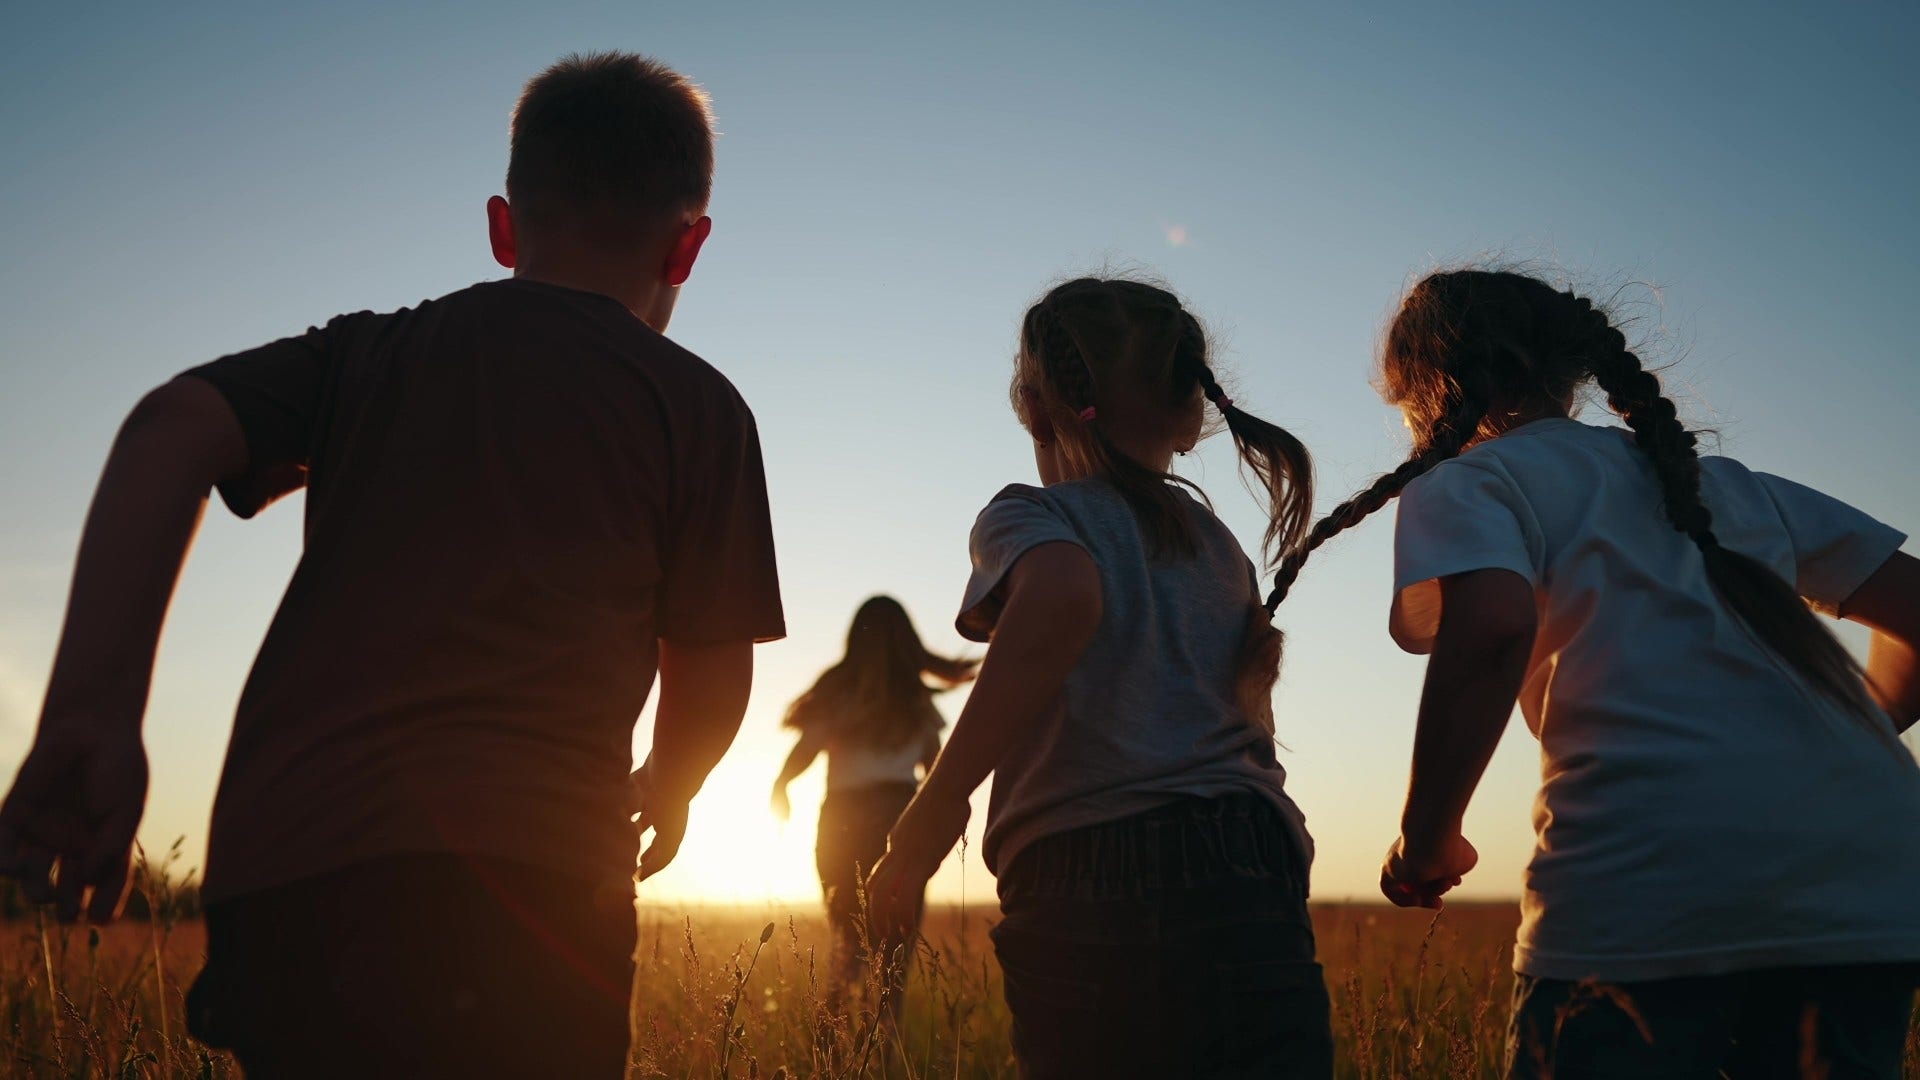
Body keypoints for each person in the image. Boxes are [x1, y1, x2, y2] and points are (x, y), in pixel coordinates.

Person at [0, 52, 785, 1079]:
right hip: (532, 884)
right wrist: (672, 782)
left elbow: (169, 426)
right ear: (688, 249)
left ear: (504, 226)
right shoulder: (697, 408)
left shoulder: (370, 355)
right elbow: (713, 667)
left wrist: (90, 715)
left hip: (293, 875)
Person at [1293, 268, 1920, 1077]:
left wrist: (1425, 841)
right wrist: (1855, 725)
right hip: (1867, 874)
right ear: (1572, 370)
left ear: (1418, 388)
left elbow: (1490, 630)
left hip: (1649, 871)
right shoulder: (1727, 485)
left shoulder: (1473, 480)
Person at [867, 277, 1335, 1079]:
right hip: (1252, 862)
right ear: (1190, 416)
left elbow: (1060, 597)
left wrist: (934, 809)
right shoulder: (1219, 546)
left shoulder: (1031, 516)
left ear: (1036, 409)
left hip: (1087, 863)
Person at [770, 595, 976, 1003]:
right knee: (895, 943)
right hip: (900, 818)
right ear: (908, 641)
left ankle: (830, 1051)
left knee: (847, 938)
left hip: (840, 819)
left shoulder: (836, 691)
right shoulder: (914, 699)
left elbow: (807, 748)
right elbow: (936, 766)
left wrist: (781, 785)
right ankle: (883, 1047)